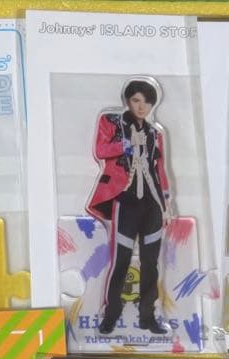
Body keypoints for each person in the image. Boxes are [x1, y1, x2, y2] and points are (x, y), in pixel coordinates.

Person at [87, 79, 172, 337]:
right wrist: (126, 145)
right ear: (128, 101)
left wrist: (166, 204)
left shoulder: (155, 134)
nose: (141, 106)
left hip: (152, 204)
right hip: (125, 201)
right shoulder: (113, 123)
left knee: (151, 264)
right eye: (136, 100)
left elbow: (160, 169)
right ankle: (111, 314)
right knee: (121, 261)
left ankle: (148, 316)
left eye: (147, 102)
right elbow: (100, 150)